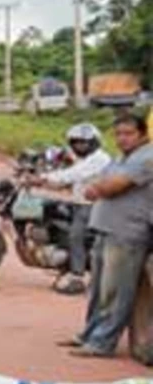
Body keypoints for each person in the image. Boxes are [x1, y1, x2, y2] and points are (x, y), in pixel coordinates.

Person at [65, 115, 153, 358]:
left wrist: (97, 188)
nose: (122, 139)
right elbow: (102, 180)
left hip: (127, 232)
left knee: (115, 292)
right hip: (106, 228)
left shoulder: (147, 157)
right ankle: (89, 334)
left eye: (128, 133)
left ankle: (103, 343)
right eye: (118, 134)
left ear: (143, 134)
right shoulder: (122, 157)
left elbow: (112, 185)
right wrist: (98, 186)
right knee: (97, 290)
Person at [22, 123, 112, 292]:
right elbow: (68, 176)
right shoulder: (84, 159)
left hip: (93, 206)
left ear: (94, 142)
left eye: (84, 143)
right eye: (76, 143)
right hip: (79, 202)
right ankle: (63, 262)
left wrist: (42, 179)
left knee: (75, 236)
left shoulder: (99, 159)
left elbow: (73, 174)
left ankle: (77, 277)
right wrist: (44, 179)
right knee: (54, 216)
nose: (79, 146)